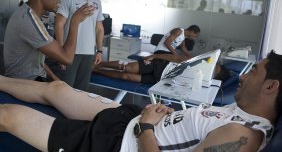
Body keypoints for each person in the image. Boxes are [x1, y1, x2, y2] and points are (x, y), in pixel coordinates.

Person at [0, 50, 281, 152]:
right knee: (58, 88)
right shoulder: (241, 112)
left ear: (271, 86)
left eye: (253, 72)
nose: (242, 78)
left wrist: (147, 127)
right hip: (132, 118)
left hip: (120, 143)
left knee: (10, 116)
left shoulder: (244, 136)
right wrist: (162, 116)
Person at [3, 0, 94, 82]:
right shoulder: (28, 20)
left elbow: (37, 62)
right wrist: (74, 22)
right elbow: (67, 58)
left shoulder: (30, 15)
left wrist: (56, 80)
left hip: (35, 78)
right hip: (25, 83)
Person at [53, 0, 104, 91]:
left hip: (88, 53)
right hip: (70, 52)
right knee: (65, 88)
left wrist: (100, 51)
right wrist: (60, 52)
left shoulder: (97, 2)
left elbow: (99, 28)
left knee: (82, 90)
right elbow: (59, 25)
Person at [93, 54, 230, 84]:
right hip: (160, 65)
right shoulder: (202, 61)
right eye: (213, 67)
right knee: (126, 67)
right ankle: (97, 64)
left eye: (213, 72)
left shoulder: (202, 81)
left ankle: (97, 70)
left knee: (126, 76)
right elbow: (177, 58)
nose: (210, 69)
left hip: (160, 79)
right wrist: (155, 55)